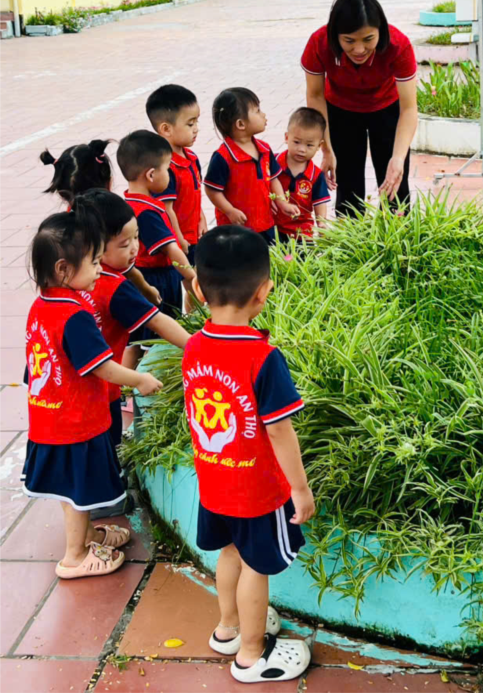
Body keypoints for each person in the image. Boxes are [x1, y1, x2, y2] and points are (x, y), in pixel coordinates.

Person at [184, 226, 314, 684]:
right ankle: (252, 656)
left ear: (198, 289)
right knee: (257, 568)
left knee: (229, 554)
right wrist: (300, 489)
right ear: (264, 292)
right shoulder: (263, 358)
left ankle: (228, 628)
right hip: (256, 491)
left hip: (214, 482)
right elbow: (279, 430)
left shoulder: (194, 347)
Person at [22, 198, 162, 580]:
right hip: (75, 423)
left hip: (49, 418)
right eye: (95, 262)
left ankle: (86, 536)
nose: (101, 270)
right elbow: (101, 366)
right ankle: (75, 556)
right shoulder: (74, 315)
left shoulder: (42, 306)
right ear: (64, 269)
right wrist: (140, 379)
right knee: (77, 491)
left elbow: (34, 368)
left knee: (72, 490)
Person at [80, 189, 190, 448]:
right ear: (94, 247)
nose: (134, 248)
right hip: (102, 389)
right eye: (124, 244)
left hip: (72, 390)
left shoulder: (73, 277)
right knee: (106, 447)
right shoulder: (114, 287)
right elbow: (158, 322)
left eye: (137, 237)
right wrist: (198, 345)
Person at [301, 0, 418, 214]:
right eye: (349, 41)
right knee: (347, 184)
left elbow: (409, 108)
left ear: (380, 30)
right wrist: (326, 147)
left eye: (368, 39)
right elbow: (315, 96)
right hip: (340, 110)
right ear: (335, 35)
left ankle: (398, 232)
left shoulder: (398, 45)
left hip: (386, 108)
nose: (359, 50)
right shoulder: (319, 43)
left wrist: (398, 157)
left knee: (395, 183)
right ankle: (351, 235)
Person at [40, 141, 161, 308]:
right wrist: (147, 290)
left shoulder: (63, 225)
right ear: (109, 183)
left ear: (62, 193)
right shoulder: (109, 217)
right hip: (112, 296)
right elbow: (129, 271)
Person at [204, 87, 299, 246]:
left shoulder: (264, 149)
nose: (263, 115)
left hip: (265, 222)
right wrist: (229, 210)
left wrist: (282, 202)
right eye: (257, 111)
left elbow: (273, 179)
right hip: (236, 229)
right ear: (241, 124)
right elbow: (212, 190)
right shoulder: (223, 157)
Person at [117, 131, 196, 317]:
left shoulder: (131, 203)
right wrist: (192, 276)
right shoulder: (147, 212)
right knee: (167, 324)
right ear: (151, 175)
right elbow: (171, 250)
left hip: (148, 276)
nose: (169, 174)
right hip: (158, 280)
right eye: (167, 169)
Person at [146, 84, 207, 265]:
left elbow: (195, 193)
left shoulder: (191, 158)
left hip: (194, 235)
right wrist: (178, 239)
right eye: (190, 124)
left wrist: (201, 218)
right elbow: (167, 209)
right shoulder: (165, 168)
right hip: (179, 242)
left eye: (197, 122)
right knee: (189, 277)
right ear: (166, 129)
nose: (196, 129)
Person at [275, 107, 331, 242]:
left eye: (309, 145)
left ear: (319, 146)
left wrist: (321, 224)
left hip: (302, 232)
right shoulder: (273, 163)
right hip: (273, 228)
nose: (301, 149)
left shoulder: (316, 175)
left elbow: (319, 202)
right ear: (286, 137)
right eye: (296, 142)